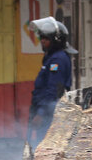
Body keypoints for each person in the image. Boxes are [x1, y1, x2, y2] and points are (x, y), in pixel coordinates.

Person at [28, 17, 77, 147]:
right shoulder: (51, 57)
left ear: (56, 41)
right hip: (43, 110)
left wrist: (41, 114)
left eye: (46, 39)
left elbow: (53, 90)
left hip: (49, 114)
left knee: (44, 145)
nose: (42, 41)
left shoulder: (57, 60)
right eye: (42, 38)